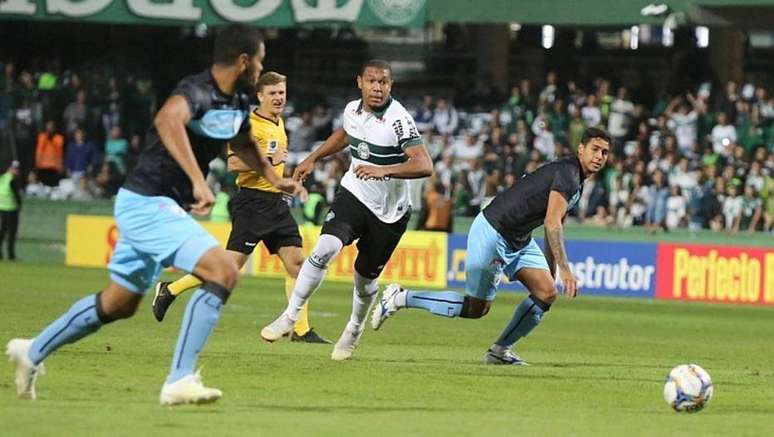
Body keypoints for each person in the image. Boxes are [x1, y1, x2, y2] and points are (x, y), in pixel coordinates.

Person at [5, 25, 303, 405]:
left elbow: (243, 140)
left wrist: (277, 178)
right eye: (260, 59)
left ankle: (31, 352)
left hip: (157, 205)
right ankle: (179, 379)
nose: (262, 67)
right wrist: (199, 180)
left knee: (119, 304)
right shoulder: (196, 90)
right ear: (244, 60)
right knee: (223, 271)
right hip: (148, 202)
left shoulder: (241, 98)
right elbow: (167, 121)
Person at [370, 127, 611, 365]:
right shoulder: (568, 174)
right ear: (581, 149)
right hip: (494, 231)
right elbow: (551, 222)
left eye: (605, 152)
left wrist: (551, 269)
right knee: (476, 309)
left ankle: (499, 351)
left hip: (519, 238)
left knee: (546, 292)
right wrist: (565, 269)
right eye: (595, 149)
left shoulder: (575, 180)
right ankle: (400, 298)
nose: (599, 156)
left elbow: (554, 223)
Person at [260, 59, 433, 361]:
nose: (377, 88)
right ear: (360, 83)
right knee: (325, 248)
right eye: (372, 81)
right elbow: (345, 134)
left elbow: (424, 164)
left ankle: (354, 329)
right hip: (354, 193)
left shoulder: (398, 120)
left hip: (389, 213)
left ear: (390, 86)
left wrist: (385, 171)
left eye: (383, 82)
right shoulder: (352, 109)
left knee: (364, 279)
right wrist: (312, 158)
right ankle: (290, 315)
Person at [151, 71, 329, 344]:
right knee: (228, 268)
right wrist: (270, 156)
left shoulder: (278, 122)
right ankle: (170, 289)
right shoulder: (251, 125)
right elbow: (234, 163)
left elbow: (273, 166)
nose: (279, 98)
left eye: (282, 92)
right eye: (273, 93)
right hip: (252, 204)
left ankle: (301, 330)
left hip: (275, 204)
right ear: (260, 96)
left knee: (296, 264)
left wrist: (285, 184)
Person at [0, 160, 22, 261]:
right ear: (10, 168)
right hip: (11, 209)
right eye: (15, 168)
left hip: (2, 208)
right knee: (11, 233)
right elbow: (16, 196)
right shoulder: (12, 180)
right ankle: (11, 255)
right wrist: (19, 205)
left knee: (2, 233)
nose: (16, 171)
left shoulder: (3, 178)